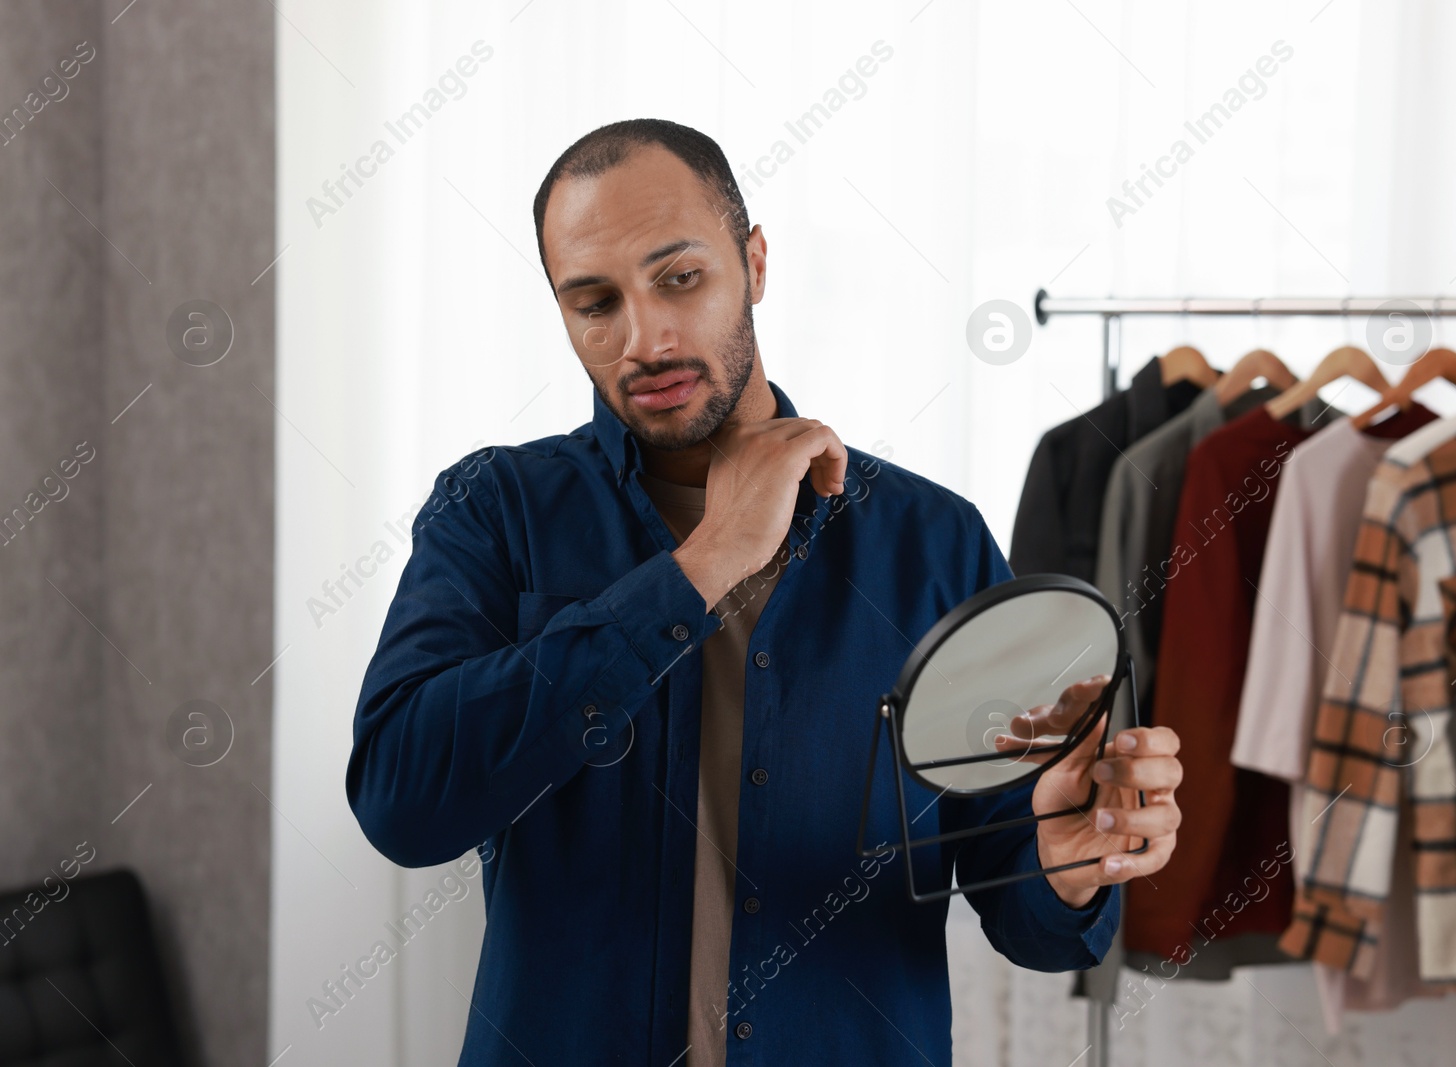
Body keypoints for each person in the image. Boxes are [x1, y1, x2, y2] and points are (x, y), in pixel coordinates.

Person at [347, 117, 1182, 1066]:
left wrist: (1069, 870)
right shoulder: (493, 511)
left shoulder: (933, 541)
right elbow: (402, 803)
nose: (644, 338)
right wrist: (701, 565)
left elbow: (1023, 912)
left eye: (680, 278)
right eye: (594, 302)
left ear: (754, 261)